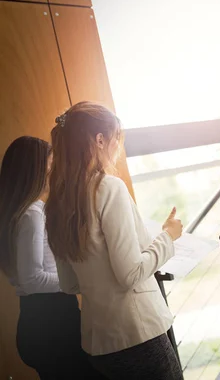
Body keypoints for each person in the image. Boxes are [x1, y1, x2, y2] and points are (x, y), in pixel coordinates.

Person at [44, 102, 184, 380]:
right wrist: (168, 236)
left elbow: (70, 283)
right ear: (99, 140)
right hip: (137, 334)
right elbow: (129, 273)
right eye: (116, 139)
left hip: (99, 344)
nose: (117, 148)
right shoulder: (107, 187)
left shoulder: (57, 201)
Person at [0, 136, 104, 379]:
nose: (55, 171)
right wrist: (81, 281)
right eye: (51, 164)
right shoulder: (32, 215)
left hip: (40, 322)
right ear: (38, 170)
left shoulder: (23, 214)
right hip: (51, 324)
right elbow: (32, 280)